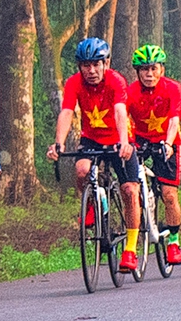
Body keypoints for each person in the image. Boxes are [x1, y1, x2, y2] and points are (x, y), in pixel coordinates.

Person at [50, 35, 142, 272]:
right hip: (91, 138)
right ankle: (91, 204)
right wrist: (58, 143)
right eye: (85, 65)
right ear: (80, 66)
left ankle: (130, 249)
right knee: (81, 170)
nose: (91, 70)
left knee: (130, 191)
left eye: (96, 64)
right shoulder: (74, 83)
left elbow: (121, 112)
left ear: (106, 63)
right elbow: (67, 112)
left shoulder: (116, 81)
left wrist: (123, 143)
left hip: (120, 138)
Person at [125, 45, 181, 265]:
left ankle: (174, 242)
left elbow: (174, 119)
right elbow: (124, 119)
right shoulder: (130, 91)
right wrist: (128, 143)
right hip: (140, 138)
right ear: (137, 72)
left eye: (153, 69)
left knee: (169, 194)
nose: (149, 74)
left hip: (166, 139)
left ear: (162, 69)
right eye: (144, 70)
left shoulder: (173, 88)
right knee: (130, 187)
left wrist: (168, 144)